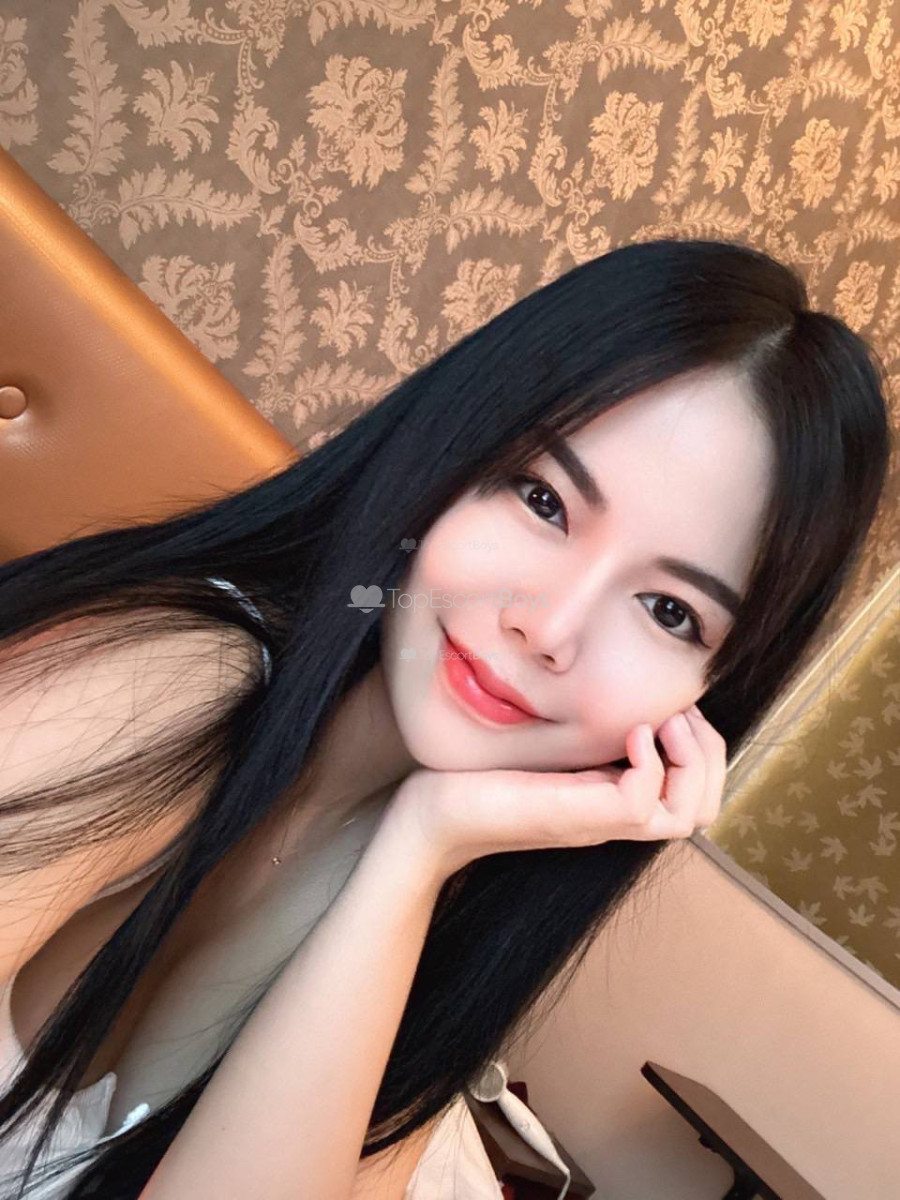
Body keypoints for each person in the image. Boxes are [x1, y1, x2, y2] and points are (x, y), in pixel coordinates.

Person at [0, 237, 891, 1199]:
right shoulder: (173, 673)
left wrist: (422, 848)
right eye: (543, 500)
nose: (548, 627)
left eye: (669, 611)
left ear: (705, 697)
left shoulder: (459, 905)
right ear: (449, 460)